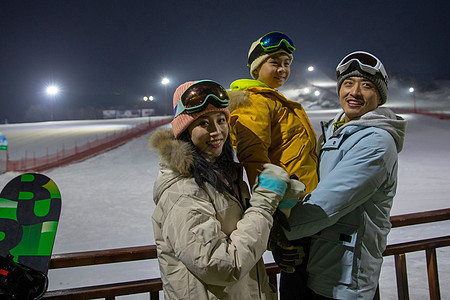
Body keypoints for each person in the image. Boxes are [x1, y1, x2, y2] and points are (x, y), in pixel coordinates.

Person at [149, 80, 305, 299]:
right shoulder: (182, 191)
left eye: (221, 120)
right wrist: (263, 205)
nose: (217, 131)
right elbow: (220, 265)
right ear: (185, 132)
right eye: (203, 123)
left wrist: (279, 209)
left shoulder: (224, 176)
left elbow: (240, 235)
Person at [276, 51, 407, 299]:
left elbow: (326, 205)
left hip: (343, 280)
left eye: (366, 85)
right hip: (319, 266)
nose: (354, 92)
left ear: (379, 96)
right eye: (348, 83)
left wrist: (274, 230)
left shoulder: (376, 143)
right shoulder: (336, 132)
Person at [227, 31, 319, 298]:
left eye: (287, 63)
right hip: (289, 213)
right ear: (257, 67)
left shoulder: (273, 100)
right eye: (275, 62)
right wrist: (275, 220)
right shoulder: (254, 101)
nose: (282, 69)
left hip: (302, 207)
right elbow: (255, 160)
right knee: (300, 287)